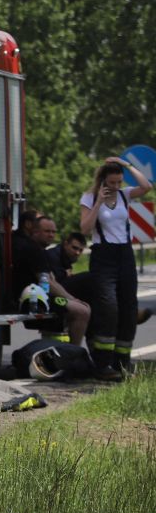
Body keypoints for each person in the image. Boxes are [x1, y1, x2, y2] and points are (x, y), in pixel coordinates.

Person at [79, 156, 154, 378]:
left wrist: (127, 164)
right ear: (102, 181)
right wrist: (99, 203)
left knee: (129, 308)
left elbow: (146, 186)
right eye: (112, 183)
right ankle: (103, 364)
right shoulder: (89, 198)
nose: (116, 186)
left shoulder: (125, 195)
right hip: (104, 256)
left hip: (125, 255)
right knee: (108, 308)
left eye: (119, 182)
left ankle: (123, 363)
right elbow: (85, 228)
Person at [34, 221, 91, 348]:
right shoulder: (49, 255)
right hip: (47, 298)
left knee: (90, 304)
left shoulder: (60, 257)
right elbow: (48, 285)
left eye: (80, 250)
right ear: (65, 244)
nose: (77, 253)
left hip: (52, 295)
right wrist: (72, 299)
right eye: (74, 248)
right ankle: (75, 352)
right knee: (91, 279)